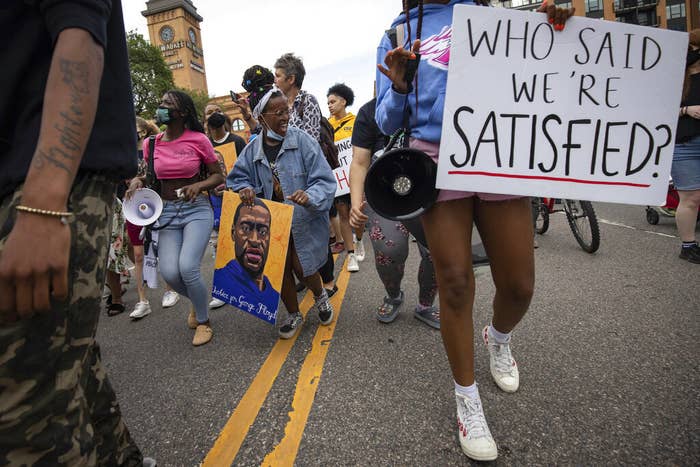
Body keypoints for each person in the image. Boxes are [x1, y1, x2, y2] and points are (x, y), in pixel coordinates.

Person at [375, 0, 574, 461]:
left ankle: (498, 338)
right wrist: (401, 86)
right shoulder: (398, 32)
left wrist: (557, 28)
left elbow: (546, 74)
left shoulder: (497, 19)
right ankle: (467, 399)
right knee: (456, 282)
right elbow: (385, 119)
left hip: (498, 151)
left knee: (520, 284)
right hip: (435, 160)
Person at [0, 1, 156, 465]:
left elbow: (79, 34)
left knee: (23, 422)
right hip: (27, 190)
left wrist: (43, 206)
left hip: (40, 189)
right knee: (72, 367)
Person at [229, 66, 336, 339]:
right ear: (261, 118)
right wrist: (245, 189)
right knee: (279, 268)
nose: (286, 117)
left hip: (301, 218)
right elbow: (236, 179)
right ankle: (294, 313)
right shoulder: (252, 149)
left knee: (304, 266)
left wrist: (308, 195)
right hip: (269, 222)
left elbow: (325, 180)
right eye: (278, 113)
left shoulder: (303, 142)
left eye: (286, 110)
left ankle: (320, 295)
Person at [127, 90, 224, 347]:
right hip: (167, 211)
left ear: (182, 113)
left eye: (167, 104)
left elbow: (218, 176)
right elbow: (152, 177)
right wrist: (139, 181)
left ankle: (203, 322)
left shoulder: (199, 140)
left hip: (196, 210)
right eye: (161, 103)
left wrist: (199, 185)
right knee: (170, 272)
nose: (161, 107)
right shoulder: (152, 143)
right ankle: (198, 300)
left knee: (188, 267)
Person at [349, 97, 439, 329]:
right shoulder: (369, 112)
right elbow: (360, 162)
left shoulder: (433, 103)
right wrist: (355, 202)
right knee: (389, 250)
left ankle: (425, 305)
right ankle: (393, 295)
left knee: (438, 252)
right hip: (384, 194)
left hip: (429, 189)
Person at [273, 54, 339, 295]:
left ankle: (329, 279)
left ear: (291, 79)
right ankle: (307, 272)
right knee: (297, 230)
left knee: (316, 225)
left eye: (278, 75)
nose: (275, 79)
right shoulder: (277, 104)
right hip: (286, 174)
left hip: (309, 173)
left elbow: (311, 137)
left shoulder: (307, 101)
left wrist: (286, 129)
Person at [204, 103, 248, 309]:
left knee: (242, 241)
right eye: (209, 113)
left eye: (216, 111)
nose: (213, 115)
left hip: (237, 200)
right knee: (217, 246)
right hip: (213, 204)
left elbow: (247, 169)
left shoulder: (237, 141)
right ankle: (224, 288)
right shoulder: (203, 145)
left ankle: (247, 282)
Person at [213, 199, 280, 319]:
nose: (255, 240)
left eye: (263, 231)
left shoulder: (274, 295)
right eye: (246, 229)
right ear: (233, 233)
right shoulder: (222, 280)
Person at [327, 83, 366, 272]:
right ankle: (351, 255)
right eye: (328, 103)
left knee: (356, 212)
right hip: (338, 178)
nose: (330, 105)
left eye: (333, 101)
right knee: (343, 213)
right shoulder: (326, 125)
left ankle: (359, 240)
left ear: (343, 102)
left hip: (355, 175)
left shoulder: (356, 121)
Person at [672, 29, 700, 264]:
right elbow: (653, 110)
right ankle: (688, 245)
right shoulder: (672, 78)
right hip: (684, 143)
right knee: (691, 197)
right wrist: (685, 110)